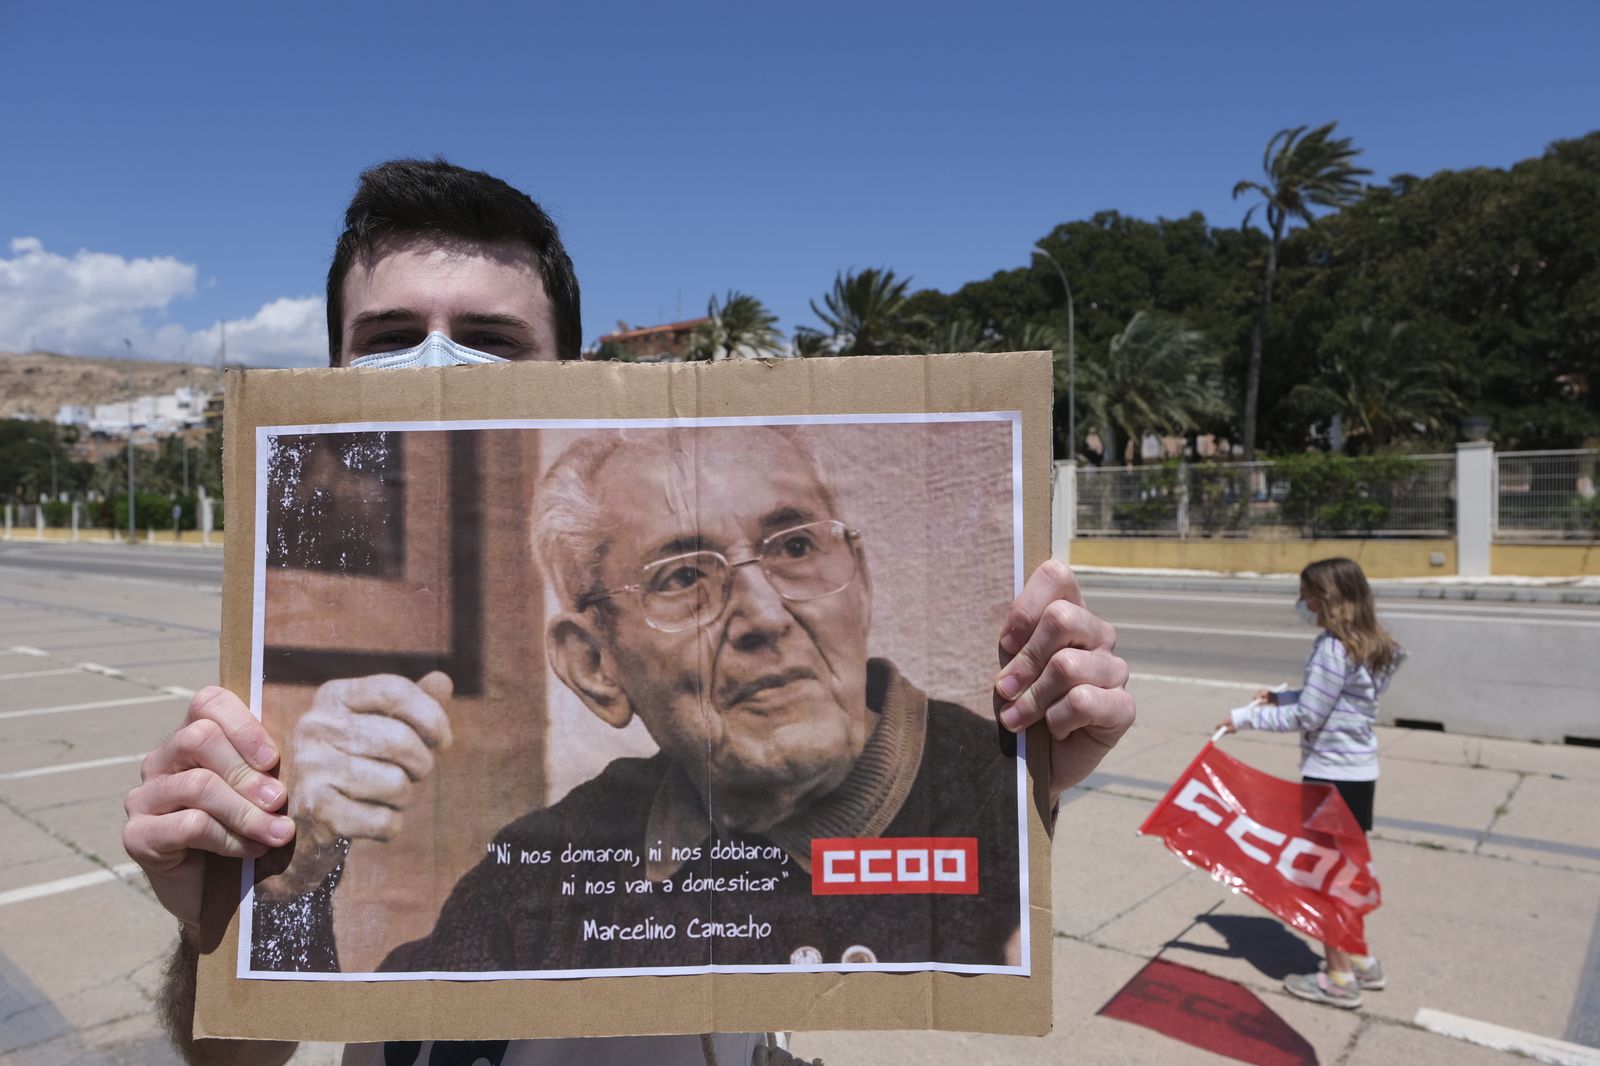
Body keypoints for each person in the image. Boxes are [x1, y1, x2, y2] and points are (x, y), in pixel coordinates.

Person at [121, 158, 1138, 1066]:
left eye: (793, 546)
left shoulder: (967, 789)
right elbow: (238, 1058)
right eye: (683, 576)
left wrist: (1032, 774)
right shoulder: (537, 858)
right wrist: (265, 896)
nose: (762, 612)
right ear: (592, 664)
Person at [1216, 556, 1403, 1010]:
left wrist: (1247, 717)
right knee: (1348, 870)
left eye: (1305, 594)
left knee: (1326, 878)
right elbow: (1338, 700)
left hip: (1328, 779)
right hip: (1359, 774)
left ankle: (1338, 978)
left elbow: (1310, 715)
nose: (1300, 602)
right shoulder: (1371, 644)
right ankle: (1360, 960)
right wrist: (1281, 694)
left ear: (1325, 599)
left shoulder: (1331, 648)